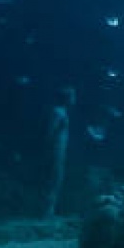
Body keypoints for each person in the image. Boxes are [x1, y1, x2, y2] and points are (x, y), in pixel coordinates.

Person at [43, 85, 76, 218]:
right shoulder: (58, 112)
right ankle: (47, 210)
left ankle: (51, 209)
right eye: (73, 96)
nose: (74, 99)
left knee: (58, 177)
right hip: (56, 149)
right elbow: (50, 132)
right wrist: (50, 147)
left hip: (61, 149)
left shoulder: (63, 112)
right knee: (54, 177)